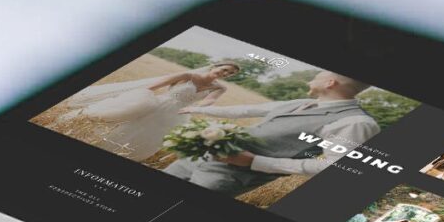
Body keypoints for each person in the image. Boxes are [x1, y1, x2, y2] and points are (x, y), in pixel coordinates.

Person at [163, 70, 380, 199]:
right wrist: (199, 109)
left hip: (228, 177)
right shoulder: (303, 102)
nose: (309, 81)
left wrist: (254, 161)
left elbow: (333, 167)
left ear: (329, 82)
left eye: (315, 77)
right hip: (198, 159)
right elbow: (248, 110)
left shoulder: (356, 122)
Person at [56, 60, 239, 159]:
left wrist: (197, 107)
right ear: (216, 65)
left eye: (229, 73)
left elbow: (209, 101)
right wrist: (138, 99)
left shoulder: (220, 88)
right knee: (130, 124)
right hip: (160, 104)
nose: (225, 74)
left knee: (150, 136)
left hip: (179, 113)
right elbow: (154, 86)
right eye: (225, 69)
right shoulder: (188, 75)